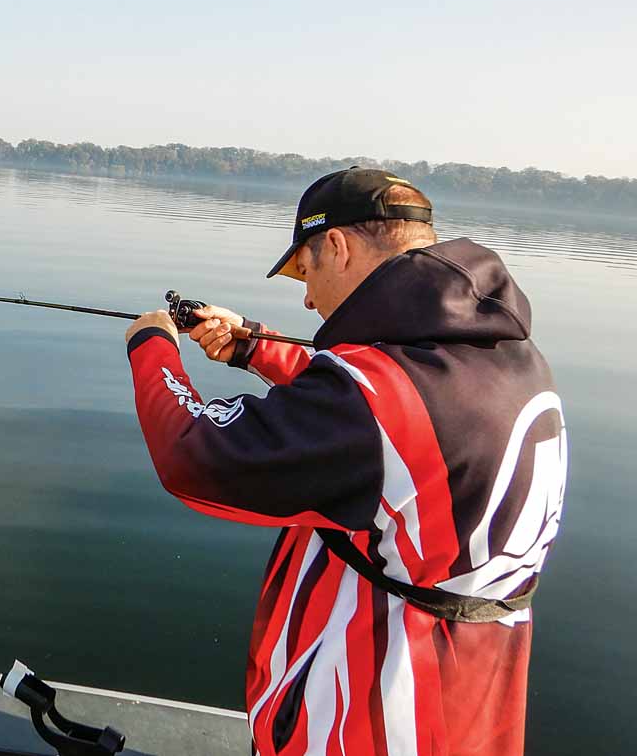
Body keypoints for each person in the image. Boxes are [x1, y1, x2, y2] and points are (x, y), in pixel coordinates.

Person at [124, 168, 566, 756]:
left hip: (367, 720)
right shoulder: (501, 357)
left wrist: (151, 346)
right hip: (470, 706)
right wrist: (255, 346)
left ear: (335, 245)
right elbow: (392, 421)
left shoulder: (380, 402)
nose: (307, 298)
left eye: (306, 272)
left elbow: (195, 456)